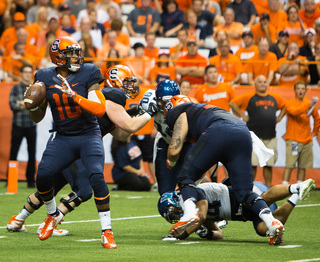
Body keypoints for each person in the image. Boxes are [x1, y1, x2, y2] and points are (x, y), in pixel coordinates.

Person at [7, 63, 158, 243]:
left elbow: (121, 132)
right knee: (84, 190)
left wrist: (135, 114)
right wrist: (150, 112)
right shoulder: (112, 95)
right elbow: (129, 126)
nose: (130, 86)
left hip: (70, 142)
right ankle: (51, 221)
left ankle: (18, 219)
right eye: (126, 81)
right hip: (74, 144)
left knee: (51, 187)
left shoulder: (106, 97)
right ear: (114, 81)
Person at [26, 36, 118, 248]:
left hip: (88, 134)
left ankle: (107, 231)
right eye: (71, 53)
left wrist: (74, 95)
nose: (77, 57)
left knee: (96, 176)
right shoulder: (44, 76)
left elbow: (99, 109)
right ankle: (52, 215)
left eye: (77, 52)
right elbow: (37, 117)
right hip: (63, 136)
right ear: (58, 57)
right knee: (43, 176)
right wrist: (32, 104)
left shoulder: (89, 72)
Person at [163, 94, 285, 245]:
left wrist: (171, 161)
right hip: (242, 132)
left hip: (219, 131)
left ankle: (189, 213)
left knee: (184, 175)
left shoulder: (178, 111)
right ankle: (271, 222)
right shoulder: (205, 110)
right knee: (244, 192)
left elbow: (174, 151)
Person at [159, 179, 316, 244]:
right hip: (244, 213)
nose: (174, 215)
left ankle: (295, 187)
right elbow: (219, 234)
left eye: (172, 211)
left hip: (244, 195)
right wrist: (206, 234)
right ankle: (295, 197)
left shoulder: (196, 194)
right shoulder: (196, 218)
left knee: (265, 198)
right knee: (264, 230)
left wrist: (181, 236)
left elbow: (202, 215)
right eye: (170, 216)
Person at [229, 75, 286, 188]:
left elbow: (285, 105)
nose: (262, 84)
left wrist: (279, 117)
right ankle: (251, 187)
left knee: (269, 164)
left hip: (270, 137)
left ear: (267, 84)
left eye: (265, 81)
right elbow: (232, 103)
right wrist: (242, 116)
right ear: (255, 84)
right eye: (260, 82)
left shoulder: (274, 97)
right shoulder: (249, 96)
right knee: (252, 164)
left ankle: (268, 187)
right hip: (254, 137)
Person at [282, 81, 320, 184]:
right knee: (289, 165)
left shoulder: (309, 104)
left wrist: (315, 132)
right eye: (298, 88)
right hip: (293, 140)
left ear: (306, 91)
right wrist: (308, 105)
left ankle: (299, 190)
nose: (300, 91)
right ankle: (284, 187)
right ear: (294, 90)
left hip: (307, 141)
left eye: (303, 89)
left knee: (303, 166)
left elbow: (317, 118)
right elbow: (294, 112)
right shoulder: (289, 103)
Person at [8, 65, 37, 188]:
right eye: (25, 72)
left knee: (32, 153)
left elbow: (38, 104)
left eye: (29, 72)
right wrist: (28, 104)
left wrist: (21, 103)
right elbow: (12, 105)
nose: (27, 74)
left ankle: (30, 181)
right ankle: (10, 180)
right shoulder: (15, 88)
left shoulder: (35, 88)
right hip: (18, 125)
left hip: (31, 125)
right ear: (21, 73)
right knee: (13, 152)